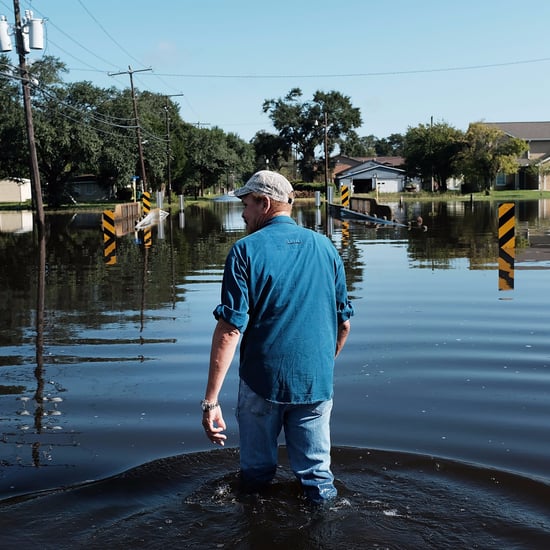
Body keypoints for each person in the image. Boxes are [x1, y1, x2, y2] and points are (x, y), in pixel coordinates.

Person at [201, 170, 353, 503]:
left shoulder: (244, 251)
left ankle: (257, 526)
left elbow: (230, 329)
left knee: (255, 478)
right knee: (317, 479)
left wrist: (211, 401)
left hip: (262, 383)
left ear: (264, 203)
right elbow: (344, 323)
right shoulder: (326, 248)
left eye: (245, 204)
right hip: (315, 383)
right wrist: (320, 366)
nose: (242, 214)